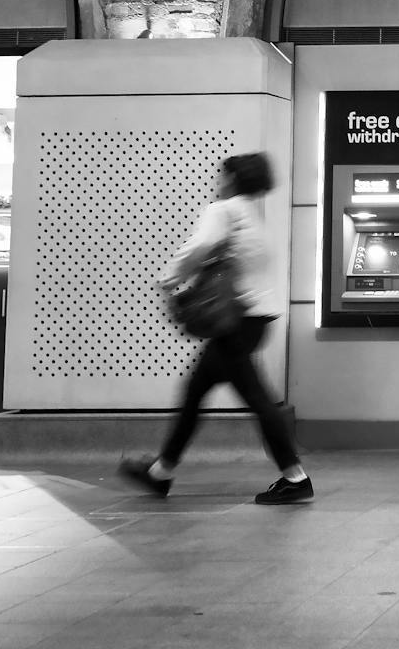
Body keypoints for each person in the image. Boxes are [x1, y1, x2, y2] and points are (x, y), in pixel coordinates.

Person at [120, 152, 313, 505]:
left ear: (234, 179)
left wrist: (170, 277)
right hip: (255, 321)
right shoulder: (256, 215)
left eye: (224, 175)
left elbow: (201, 245)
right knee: (196, 392)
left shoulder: (223, 210)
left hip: (233, 322)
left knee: (256, 400)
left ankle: (295, 477)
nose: (219, 181)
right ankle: (161, 472)